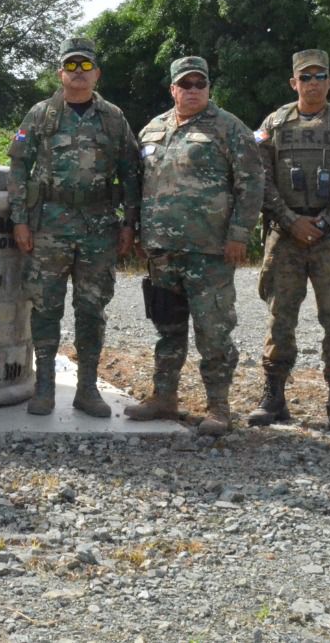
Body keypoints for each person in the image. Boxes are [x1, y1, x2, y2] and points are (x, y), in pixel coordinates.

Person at [125, 56, 264, 435]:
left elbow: (251, 184)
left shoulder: (229, 128)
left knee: (213, 332)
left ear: (208, 88)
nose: (192, 91)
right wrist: (137, 232)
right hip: (162, 252)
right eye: (185, 85)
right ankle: (163, 397)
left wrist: (239, 235)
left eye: (199, 84)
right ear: (173, 89)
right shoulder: (152, 129)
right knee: (167, 328)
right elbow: (138, 186)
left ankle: (219, 408)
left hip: (210, 251)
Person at [7, 37, 140, 417]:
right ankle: (45, 386)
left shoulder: (113, 118)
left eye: (86, 67)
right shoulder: (41, 114)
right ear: (60, 72)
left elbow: (131, 173)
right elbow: (19, 168)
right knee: (46, 305)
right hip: (49, 223)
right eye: (71, 66)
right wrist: (20, 219)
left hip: (99, 227)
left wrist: (129, 223)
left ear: (96, 73)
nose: (78, 74)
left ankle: (87, 389)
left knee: (92, 307)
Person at [248, 49, 330, 434]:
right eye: (306, 77)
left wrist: (325, 220)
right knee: (280, 316)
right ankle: (273, 397)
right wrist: (289, 220)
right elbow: (259, 176)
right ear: (294, 83)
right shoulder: (273, 123)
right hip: (285, 235)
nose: (313, 84)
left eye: (320, 77)